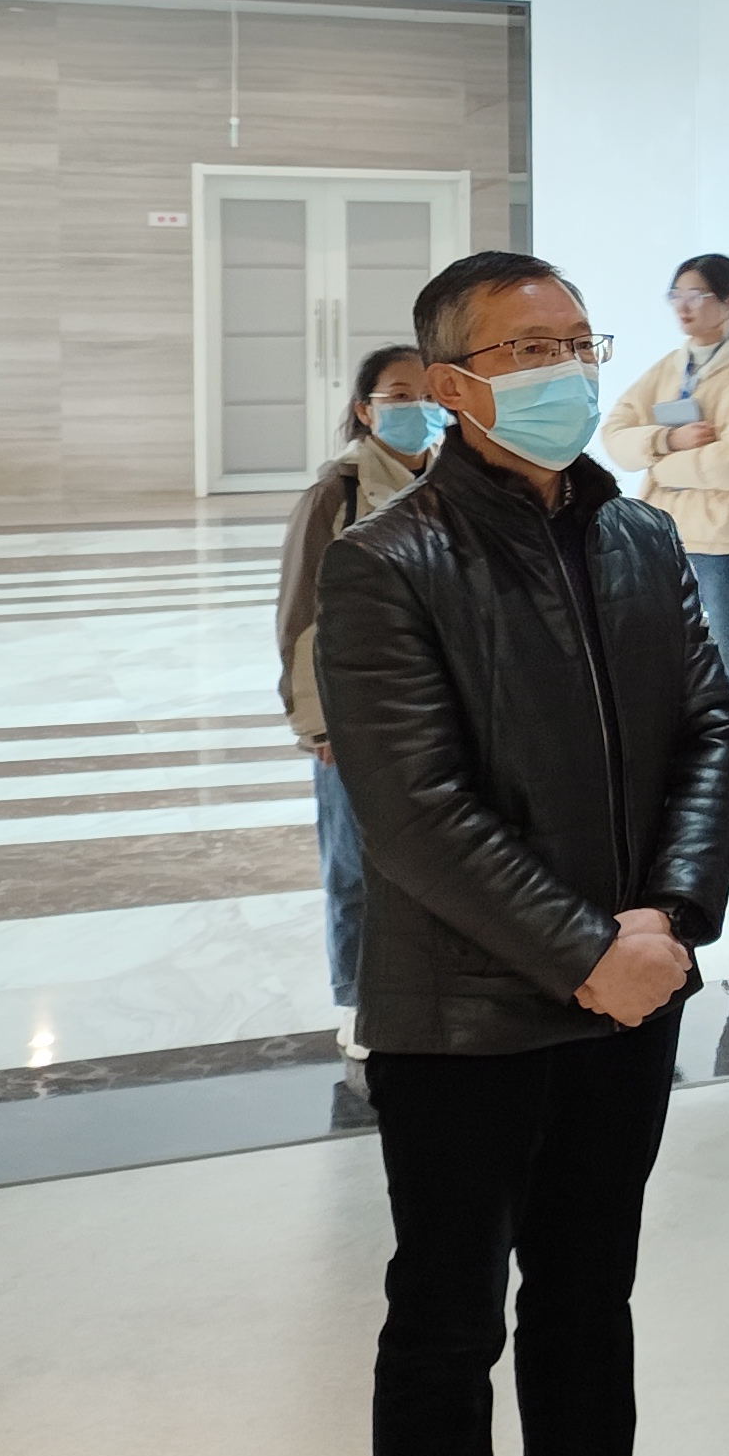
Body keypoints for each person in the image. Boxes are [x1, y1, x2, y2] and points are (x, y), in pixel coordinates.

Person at [316, 250, 729, 1456]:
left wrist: (668, 916)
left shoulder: (636, 535)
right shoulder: (386, 564)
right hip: (464, 1018)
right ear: (449, 386)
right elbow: (415, 813)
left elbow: (711, 724)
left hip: (628, 996)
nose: (565, 370)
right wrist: (582, 949)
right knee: (448, 1327)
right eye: (526, 350)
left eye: (579, 342)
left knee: (587, 1296)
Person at [277, 343, 445, 1059]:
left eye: (427, 395)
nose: (416, 409)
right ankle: (355, 998)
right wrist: (317, 724)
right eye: (398, 397)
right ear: (365, 410)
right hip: (357, 713)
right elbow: (302, 618)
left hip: (437, 708)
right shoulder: (335, 496)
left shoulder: (457, 482)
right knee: (353, 864)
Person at [600, 254, 729, 677]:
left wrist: (660, 468)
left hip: (725, 544)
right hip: (666, 536)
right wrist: (667, 440)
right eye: (676, 295)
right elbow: (615, 435)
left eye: (696, 295)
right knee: (668, 666)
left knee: (726, 669)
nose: (683, 306)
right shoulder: (672, 365)